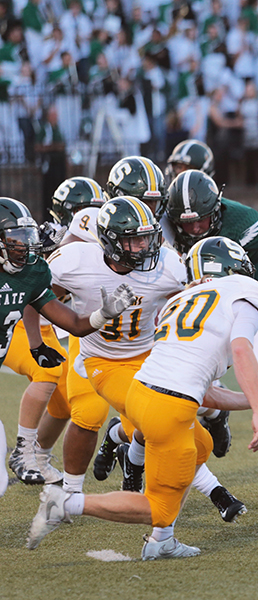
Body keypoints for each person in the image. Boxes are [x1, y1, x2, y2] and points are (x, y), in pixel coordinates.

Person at [27, 236, 258, 559]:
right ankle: (67, 503)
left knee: (201, 446)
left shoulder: (180, 302)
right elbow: (241, 348)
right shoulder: (248, 292)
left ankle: (161, 539)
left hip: (142, 391)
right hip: (169, 407)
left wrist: (255, 403)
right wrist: (256, 409)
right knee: (157, 507)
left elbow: (203, 389)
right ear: (236, 269)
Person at [164, 168, 258, 499]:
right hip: (198, 315)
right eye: (186, 223)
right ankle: (209, 413)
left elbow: (236, 282)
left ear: (218, 207)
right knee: (176, 384)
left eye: (201, 219)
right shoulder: (164, 227)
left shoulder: (245, 222)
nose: (194, 228)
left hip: (252, 306)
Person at [0, 197, 135, 486]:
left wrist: (102, 314)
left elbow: (73, 323)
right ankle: (26, 453)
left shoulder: (30, 273)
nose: (23, 246)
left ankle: (35, 455)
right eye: (15, 239)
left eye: (26, 237)